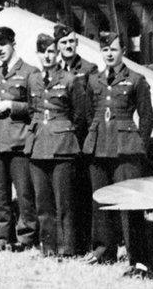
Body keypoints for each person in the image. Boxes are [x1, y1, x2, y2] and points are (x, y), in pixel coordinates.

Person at [83, 32, 153, 277]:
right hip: (99, 146)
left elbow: (147, 117)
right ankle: (103, 250)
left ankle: (138, 259)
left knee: (129, 205)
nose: (109, 54)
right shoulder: (93, 80)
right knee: (100, 200)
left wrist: (139, 146)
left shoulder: (136, 79)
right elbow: (88, 113)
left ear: (123, 50)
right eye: (105, 50)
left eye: (113, 49)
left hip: (126, 149)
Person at [25, 33, 90, 258]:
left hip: (63, 147)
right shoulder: (32, 79)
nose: (47, 56)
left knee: (65, 202)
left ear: (57, 53)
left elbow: (80, 116)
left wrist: (68, 136)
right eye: (43, 52)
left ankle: (68, 248)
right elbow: (31, 109)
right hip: (38, 146)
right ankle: (49, 247)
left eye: (51, 51)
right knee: (43, 202)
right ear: (38, 54)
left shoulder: (70, 80)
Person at [0, 26, 38, 251]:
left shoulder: (30, 72)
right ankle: (3, 237)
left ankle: (26, 238)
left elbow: (36, 106)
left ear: (13, 44)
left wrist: (11, 105)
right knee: (0, 195)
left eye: (3, 44)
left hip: (19, 142)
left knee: (24, 194)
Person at [54, 23, 98, 251]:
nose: (68, 45)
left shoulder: (89, 69)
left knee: (83, 191)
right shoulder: (53, 70)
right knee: (66, 193)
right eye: (64, 42)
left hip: (81, 139)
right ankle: (69, 241)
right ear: (57, 46)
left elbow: (89, 108)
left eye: (71, 41)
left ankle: (86, 240)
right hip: (61, 141)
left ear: (77, 43)